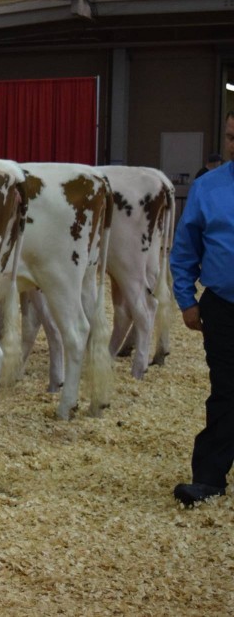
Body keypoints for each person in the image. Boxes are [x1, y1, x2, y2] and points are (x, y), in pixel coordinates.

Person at [170, 110, 234, 508]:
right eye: (230, 136)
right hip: (223, 306)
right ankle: (209, 478)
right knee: (226, 391)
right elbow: (184, 247)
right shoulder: (207, 188)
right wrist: (186, 299)